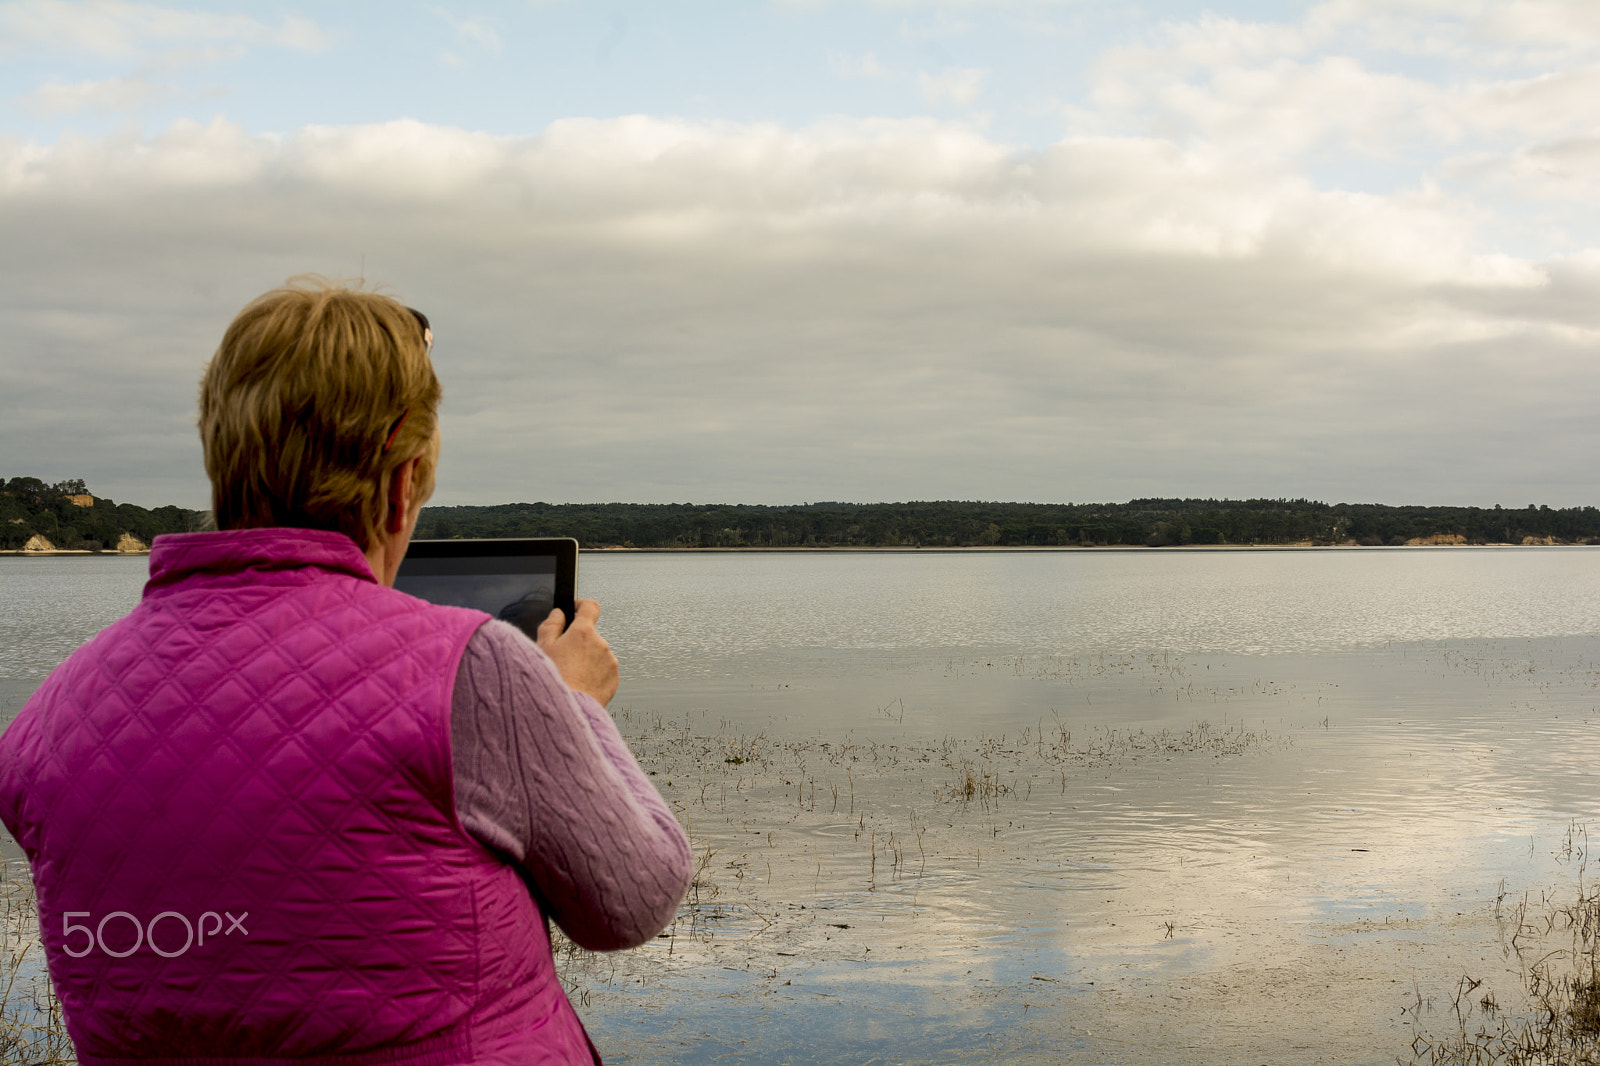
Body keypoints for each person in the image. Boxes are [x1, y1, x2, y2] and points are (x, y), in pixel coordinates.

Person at [0, 278, 692, 1064]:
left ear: (220, 460)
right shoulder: (477, 667)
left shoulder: (46, 721)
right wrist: (575, 711)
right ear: (403, 489)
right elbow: (632, 901)